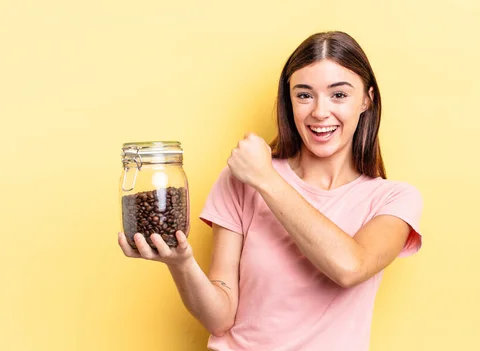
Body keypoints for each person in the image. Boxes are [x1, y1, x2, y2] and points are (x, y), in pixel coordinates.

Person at [118, 30, 423, 351]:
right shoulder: (240, 179)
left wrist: (266, 179)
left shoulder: (393, 199)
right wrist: (181, 264)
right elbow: (220, 319)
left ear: (366, 99)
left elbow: (350, 267)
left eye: (339, 95)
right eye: (304, 95)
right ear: (288, 100)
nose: (320, 111)